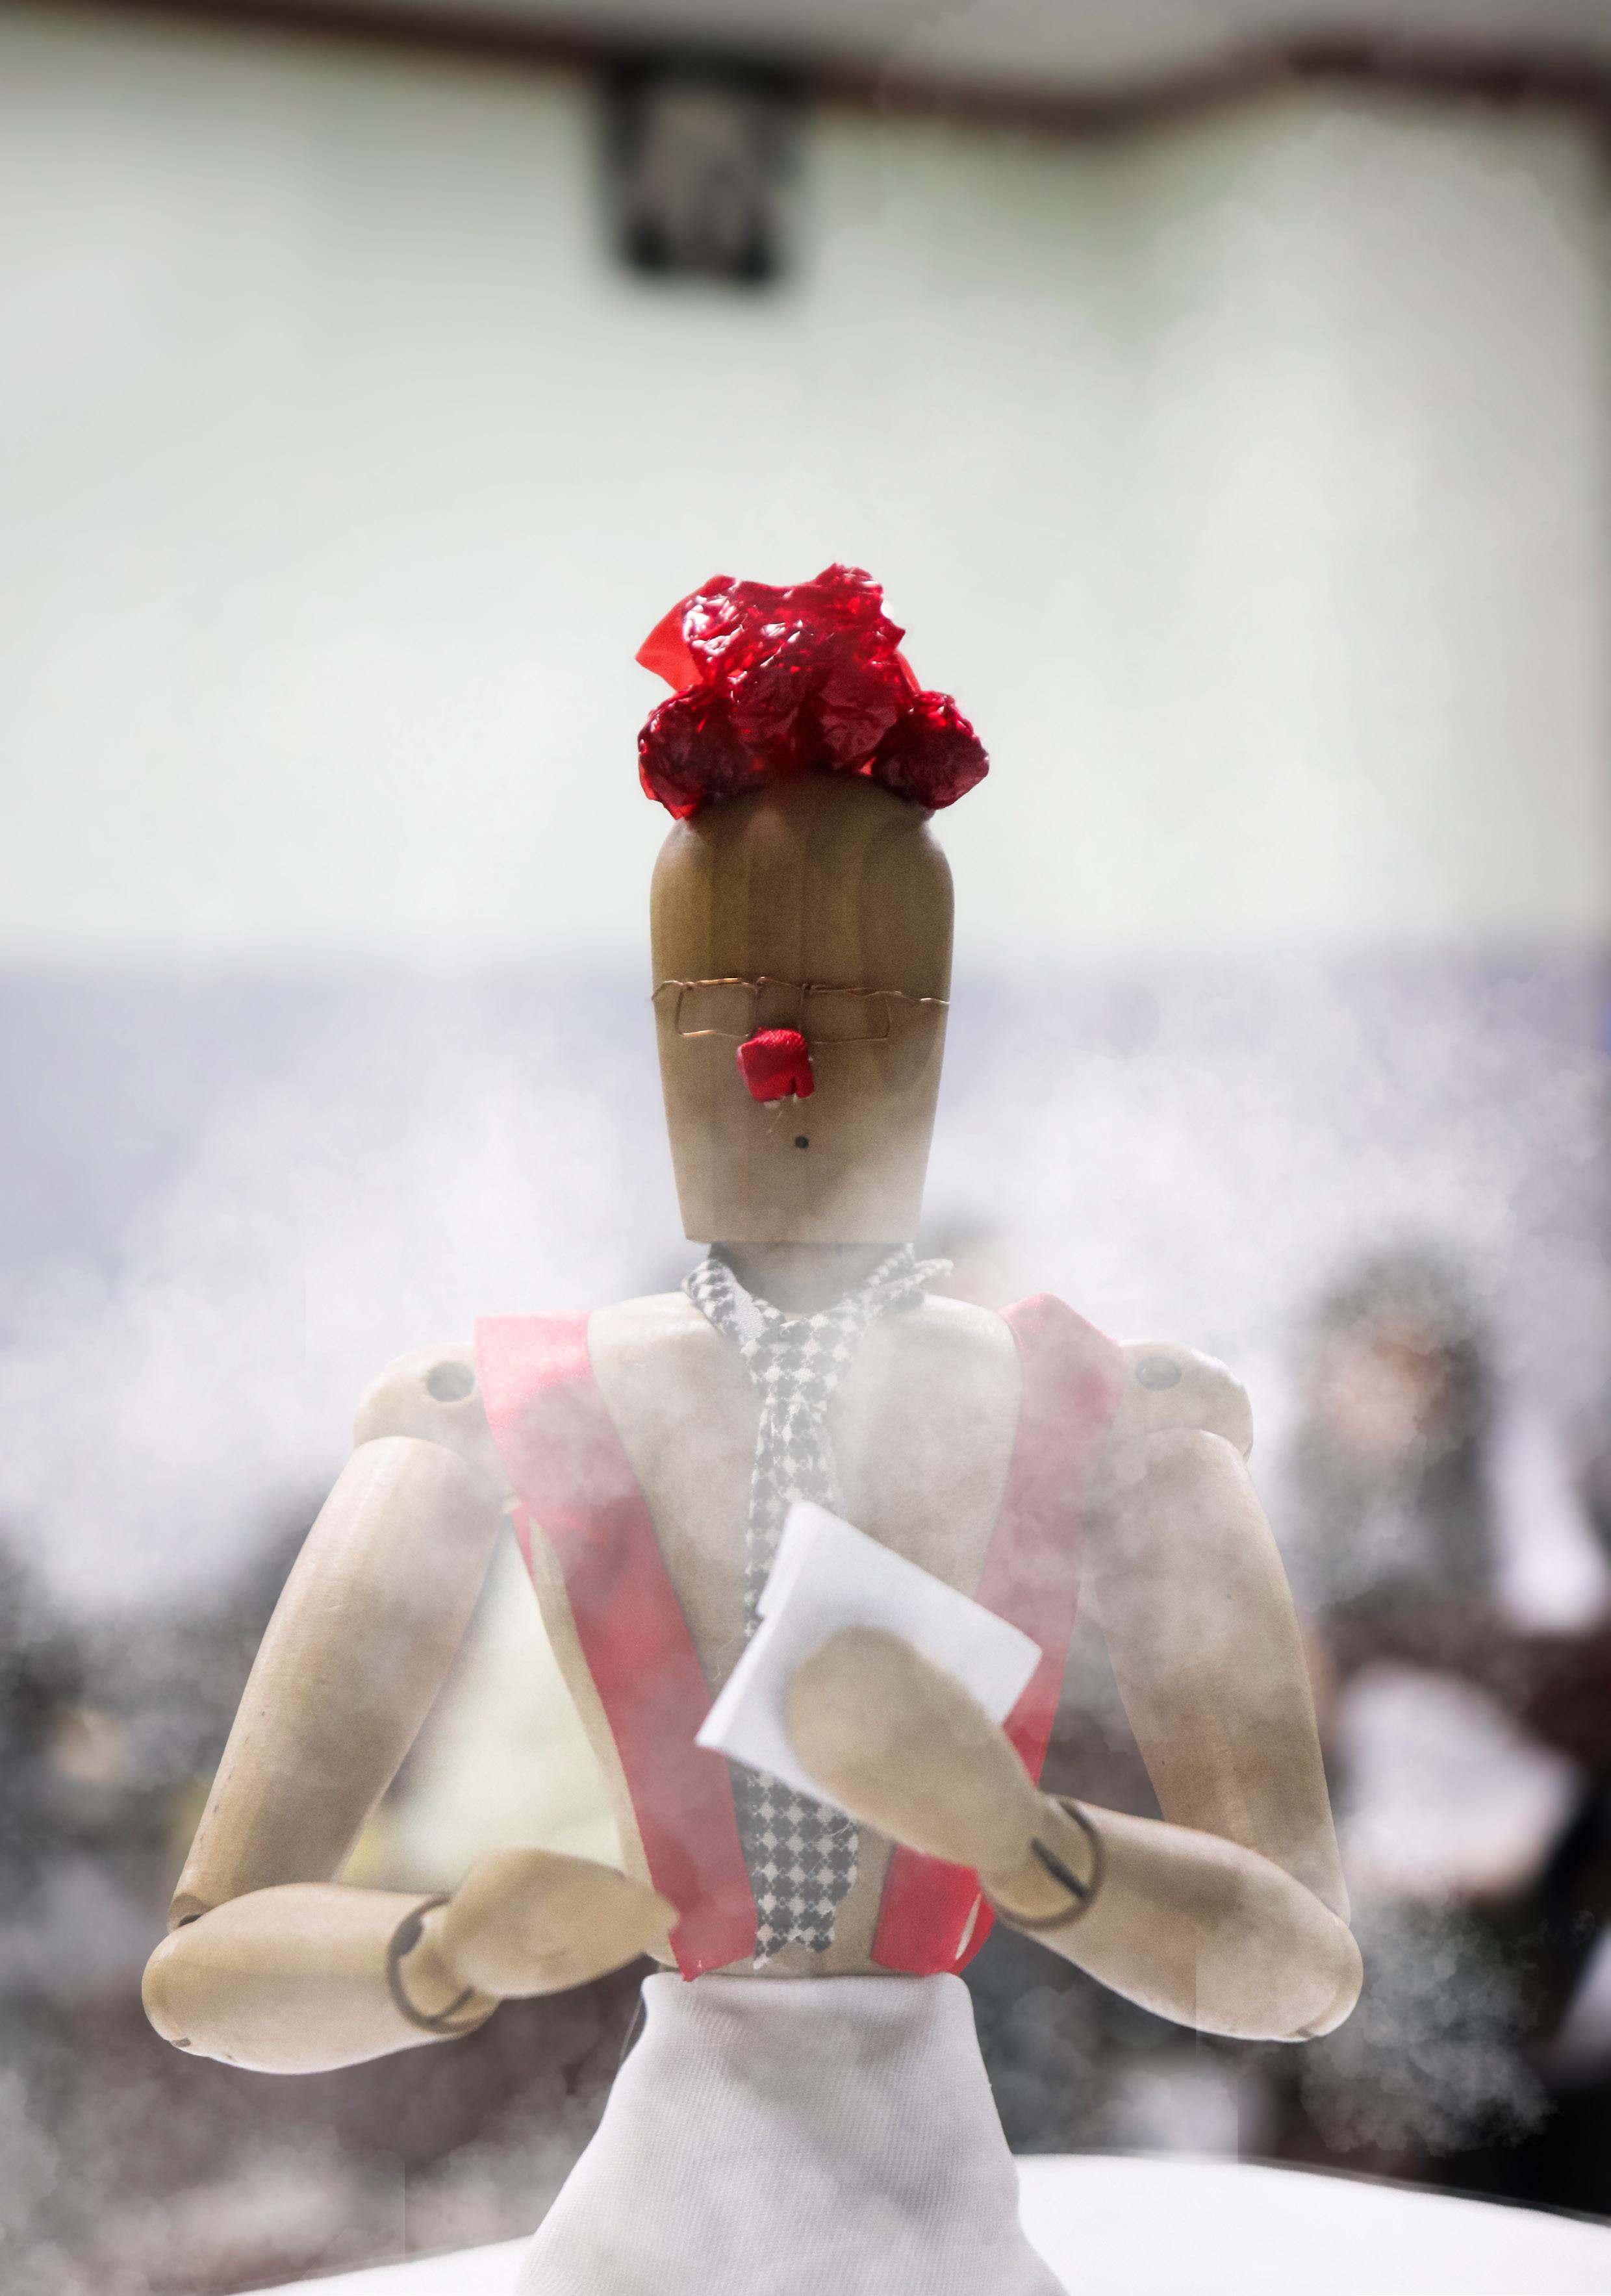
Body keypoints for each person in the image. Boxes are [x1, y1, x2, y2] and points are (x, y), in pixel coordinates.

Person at [143, 567, 1358, 2292]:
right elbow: (203, 1973)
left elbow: (1301, 1968)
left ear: (936, 1036)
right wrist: (438, 1950)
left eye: (859, 1027)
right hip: (661, 2210)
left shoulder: (1124, 1422)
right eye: (734, 1026)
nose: (787, 1074)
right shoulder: (478, 1413)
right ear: (665, 1032)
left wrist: (1028, 1845)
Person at [1270, 1244, 1611, 2204]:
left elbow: (1566, 1661)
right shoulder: (1290, 1478)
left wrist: (1379, 1639)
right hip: (1347, 1861)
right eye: (1370, 1360)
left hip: (1512, 1865)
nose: (1390, 1392)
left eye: (1416, 1365)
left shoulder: (1503, 1476)